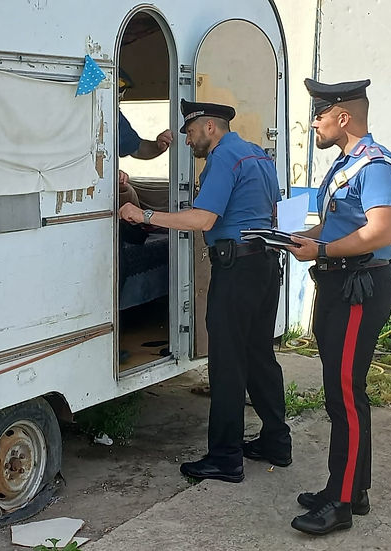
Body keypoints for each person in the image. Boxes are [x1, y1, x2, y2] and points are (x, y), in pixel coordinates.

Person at [119, 99, 291, 483]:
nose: (188, 138)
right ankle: (277, 442)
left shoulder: (223, 159)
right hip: (265, 265)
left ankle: (225, 458)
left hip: (237, 269)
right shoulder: (258, 156)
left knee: (228, 363)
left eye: (191, 131)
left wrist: (143, 215)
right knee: (260, 354)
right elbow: (275, 212)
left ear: (209, 127)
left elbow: (202, 218)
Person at [285, 78, 391, 536]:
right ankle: (352, 487)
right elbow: (337, 225)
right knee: (341, 393)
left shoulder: (377, 167)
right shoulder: (345, 165)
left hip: (361, 286)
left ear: (343, 117)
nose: (313, 122)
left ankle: (340, 502)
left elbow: (380, 233)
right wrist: (304, 239)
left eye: (319, 114)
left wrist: (321, 251)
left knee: (345, 394)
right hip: (339, 282)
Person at [117, 69, 173, 208]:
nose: (121, 96)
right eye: (120, 91)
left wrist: (158, 145)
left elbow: (137, 149)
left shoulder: (113, 116)